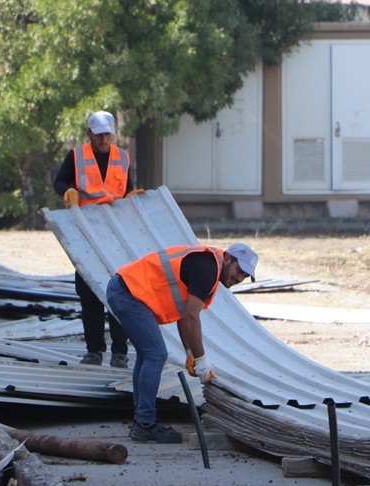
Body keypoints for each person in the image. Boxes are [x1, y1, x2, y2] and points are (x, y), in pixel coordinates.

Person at [104, 242, 258, 443]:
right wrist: (201, 361)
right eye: (239, 270)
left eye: (245, 276)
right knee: (155, 354)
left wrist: (189, 353)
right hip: (129, 293)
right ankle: (145, 423)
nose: (239, 278)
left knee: (147, 354)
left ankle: (142, 421)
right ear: (228, 259)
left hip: (125, 290)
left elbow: (184, 315)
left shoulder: (207, 264)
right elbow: (191, 317)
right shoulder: (208, 268)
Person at [54, 111, 138, 368]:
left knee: (119, 291)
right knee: (89, 291)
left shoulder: (122, 157)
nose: (103, 139)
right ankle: (94, 350)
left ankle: (120, 352)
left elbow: (127, 188)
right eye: (99, 135)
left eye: (107, 135)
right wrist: (68, 190)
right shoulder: (76, 156)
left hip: (114, 233)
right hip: (87, 232)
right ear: (89, 134)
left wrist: (133, 197)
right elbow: (59, 181)